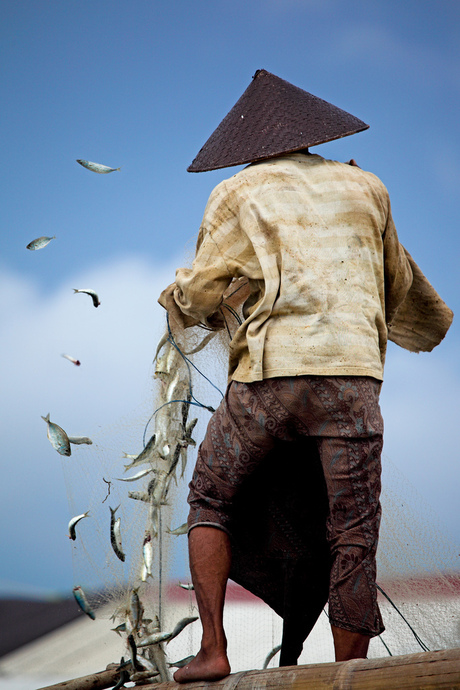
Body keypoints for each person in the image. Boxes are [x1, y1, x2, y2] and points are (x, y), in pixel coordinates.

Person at [159, 69, 453, 683]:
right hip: (353, 383)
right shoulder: (367, 187)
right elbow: (396, 283)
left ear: (250, 143)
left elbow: (203, 283)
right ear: (312, 135)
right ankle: (351, 674)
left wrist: (177, 304)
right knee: (354, 533)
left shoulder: (240, 190)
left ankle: (213, 650)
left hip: (271, 378)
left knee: (211, 498)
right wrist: (414, 330)